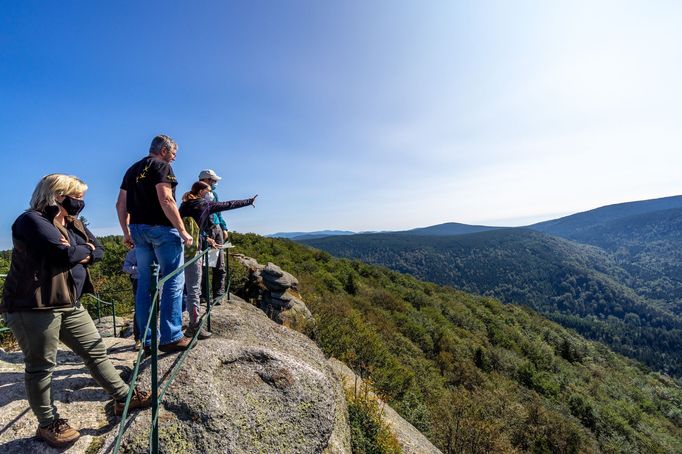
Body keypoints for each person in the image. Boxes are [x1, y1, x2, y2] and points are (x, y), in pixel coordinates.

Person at [1, 174, 151, 448]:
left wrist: (84, 250)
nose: (80, 202)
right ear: (57, 194)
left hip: (70, 302)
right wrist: (81, 250)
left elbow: (101, 251)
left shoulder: (73, 223)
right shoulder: (31, 221)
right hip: (34, 306)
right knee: (41, 366)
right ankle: (48, 424)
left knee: (94, 350)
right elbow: (64, 255)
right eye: (76, 196)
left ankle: (123, 397)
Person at [116, 134, 194, 354]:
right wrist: (182, 230)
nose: (174, 158)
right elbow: (166, 199)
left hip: (138, 230)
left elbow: (120, 203)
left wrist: (125, 231)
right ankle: (171, 336)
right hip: (161, 229)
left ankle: (148, 340)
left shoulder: (132, 170)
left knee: (145, 284)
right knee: (173, 280)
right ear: (164, 150)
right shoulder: (162, 166)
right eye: (173, 153)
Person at [179, 181, 256, 339]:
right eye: (208, 191)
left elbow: (191, 226)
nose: (210, 193)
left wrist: (207, 239)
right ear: (201, 192)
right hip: (193, 250)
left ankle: (176, 325)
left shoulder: (184, 204)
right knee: (194, 288)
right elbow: (228, 204)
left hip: (178, 247)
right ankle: (194, 326)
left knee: (179, 287)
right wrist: (249, 201)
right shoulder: (204, 204)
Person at [198, 169, 229, 302]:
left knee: (219, 264)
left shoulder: (214, 194)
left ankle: (218, 295)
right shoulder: (196, 195)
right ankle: (204, 296)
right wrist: (203, 234)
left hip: (217, 229)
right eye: (213, 180)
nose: (215, 183)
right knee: (205, 264)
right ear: (205, 180)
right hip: (205, 230)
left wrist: (224, 227)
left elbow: (219, 211)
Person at [122, 248, 141, 350]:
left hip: (154, 280)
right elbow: (126, 267)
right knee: (139, 309)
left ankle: (151, 336)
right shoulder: (133, 252)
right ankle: (138, 338)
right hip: (138, 280)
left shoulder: (155, 248)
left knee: (154, 309)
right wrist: (140, 269)